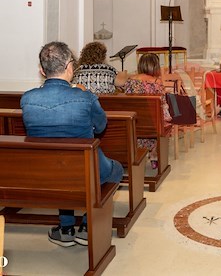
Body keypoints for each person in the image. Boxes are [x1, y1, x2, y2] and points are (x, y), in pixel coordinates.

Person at [20, 41, 124, 247]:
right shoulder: (85, 97)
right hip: (85, 169)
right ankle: (86, 225)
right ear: (70, 67)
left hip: (46, 171)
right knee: (116, 170)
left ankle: (66, 228)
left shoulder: (28, 99)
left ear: (42, 70)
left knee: (62, 171)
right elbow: (101, 125)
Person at [123, 53, 172, 168]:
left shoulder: (130, 81)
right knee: (167, 122)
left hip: (134, 122)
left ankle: (142, 152)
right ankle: (154, 154)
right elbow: (163, 105)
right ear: (155, 66)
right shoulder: (157, 83)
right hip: (152, 125)